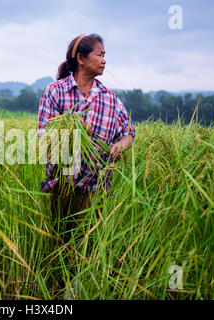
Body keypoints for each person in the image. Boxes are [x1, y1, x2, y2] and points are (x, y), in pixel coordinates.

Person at [37, 34, 136, 242]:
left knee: (88, 244)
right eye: (99, 55)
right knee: (58, 240)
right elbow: (43, 135)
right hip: (62, 186)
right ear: (81, 59)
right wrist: (74, 133)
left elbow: (128, 133)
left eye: (104, 55)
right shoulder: (56, 92)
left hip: (95, 187)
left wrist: (120, 145)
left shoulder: (109, 98)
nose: (104, 60)